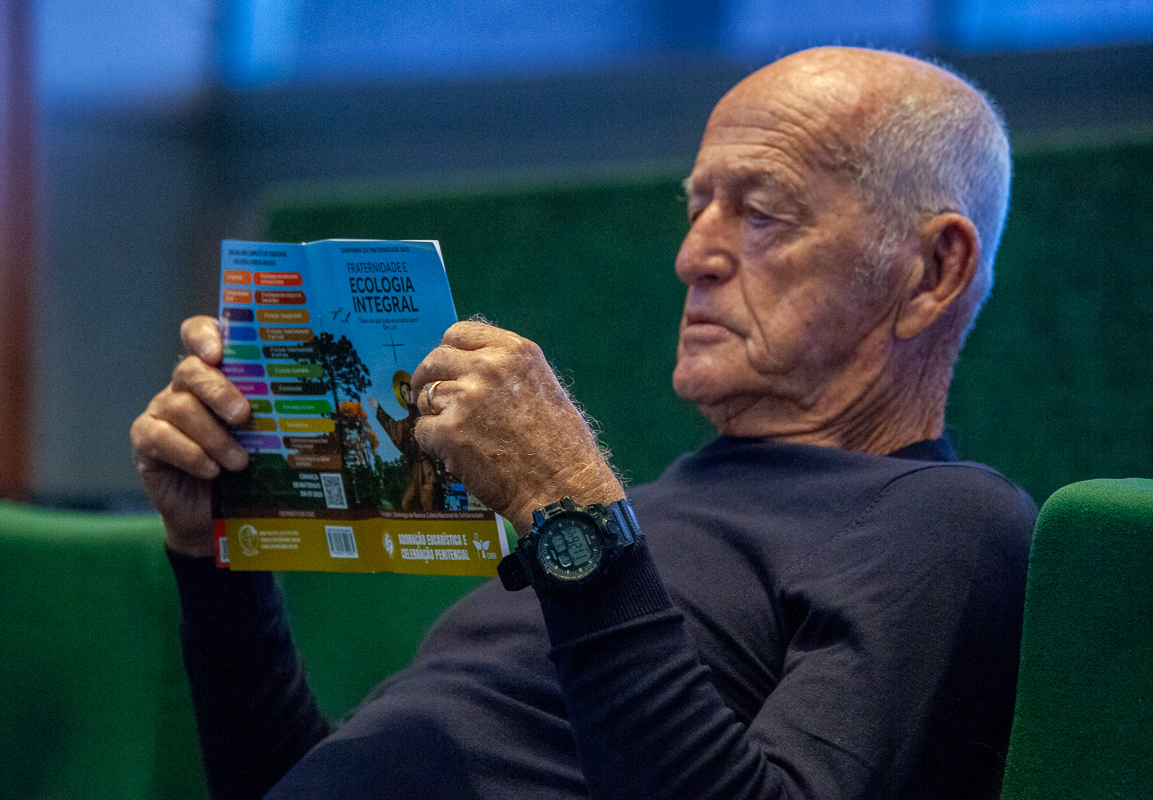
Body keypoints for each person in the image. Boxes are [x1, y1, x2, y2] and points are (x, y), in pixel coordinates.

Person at [131, 46, 1035, 799]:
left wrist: (569, 507)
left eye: (762, 213)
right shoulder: (651, 513)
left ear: (933, 272)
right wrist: (216, 557)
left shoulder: (945, 519)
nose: (692, 256)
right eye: (696, 208)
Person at [368, 371, 439, 513]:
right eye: (404, 393)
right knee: (407, 503)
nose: (406, 395)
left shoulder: (424, 415)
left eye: (408, 391)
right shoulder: (406, 423)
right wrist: (379, 409)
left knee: (428, 503)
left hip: (427, 468)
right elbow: (395, 430)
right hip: (413, 469)